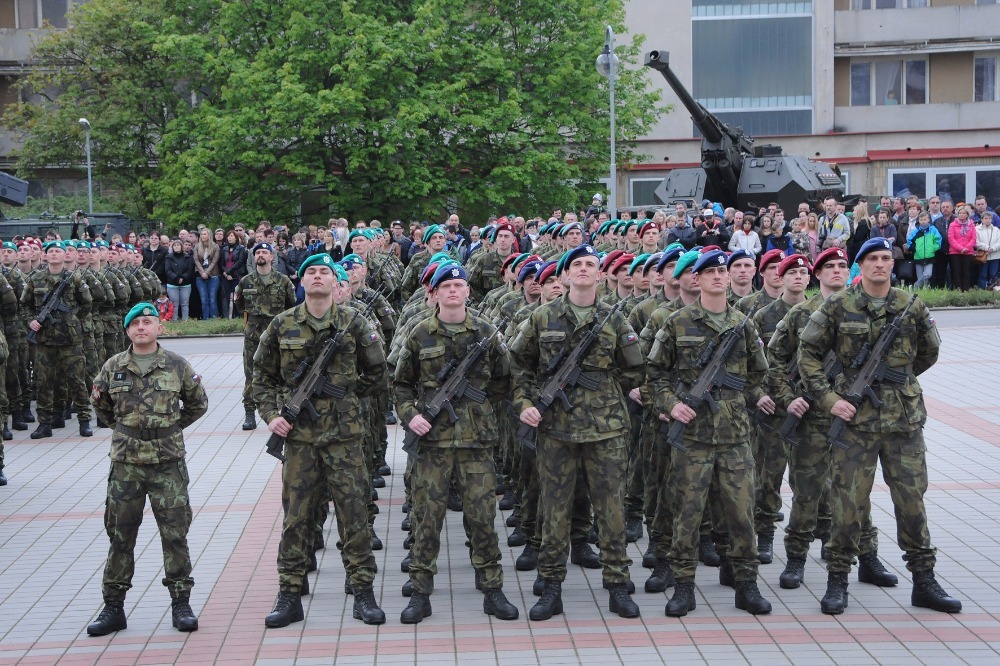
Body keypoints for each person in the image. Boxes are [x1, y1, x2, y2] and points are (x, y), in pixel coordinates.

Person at [798, 237, 962, 616]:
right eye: (872, 258)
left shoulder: (910, 304)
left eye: (886, 258)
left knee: (912, 501)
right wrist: (829, 399)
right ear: (861, 265)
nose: (880, 264)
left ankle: (924, 581)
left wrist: (897, 382)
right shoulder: (839, 305)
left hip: (903, 422)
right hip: (855, 422)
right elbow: (807, 354)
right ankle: (838, 580)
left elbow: (929, 351)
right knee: (847, 502)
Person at [510, 244, 644, 622]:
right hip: (556, 429)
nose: (584, 269)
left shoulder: (614, 319)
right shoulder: (542, 317)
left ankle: (618, 585)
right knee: (554, 510)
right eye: (576, 265)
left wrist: (605, 393)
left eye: (591, 264)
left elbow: (635, 369)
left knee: (611, 510)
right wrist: (526, 404)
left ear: (601, 275)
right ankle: (550, 588)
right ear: (564, 276)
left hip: (606, 431)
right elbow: (517, 365)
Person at [252, 253, 387, 628]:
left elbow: (377, 372)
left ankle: (362, 592)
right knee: (297, 517)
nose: (317, 277)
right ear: (302, 280)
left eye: (324, 272)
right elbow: (261, 378)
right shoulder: (281, 325)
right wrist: (273, 415)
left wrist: (344, 397)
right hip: (300, 439)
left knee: (354, 513)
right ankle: (289, 594)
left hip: (344, 437)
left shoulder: (353, 323)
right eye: (311, 271)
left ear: (334, 281)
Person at [645, 249, 773, 617]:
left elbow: (756, 376)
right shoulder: (677, 323)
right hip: (693, 437)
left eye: (723, 271)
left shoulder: (743, 324)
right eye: (710, 272)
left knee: (740, 512)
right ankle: (684, 586)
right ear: (696, 279)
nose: (718, 276)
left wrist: (752, 397)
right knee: (686, 512)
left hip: (734, 436)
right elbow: (655, 377)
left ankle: (746, 584)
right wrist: (671, 404)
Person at [393, 262, 519, 623]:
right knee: (425, 519)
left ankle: (492, 589)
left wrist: (478, 404)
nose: (452, 290)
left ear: (468, 292)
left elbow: (504, 378)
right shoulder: (420, 333)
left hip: (476, 443)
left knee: (482, 518)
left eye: (458, 284)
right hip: (431, 443)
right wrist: (410, 414)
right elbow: (400, 383)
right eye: (445, 285)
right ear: (434, 292)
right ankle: (420, 593)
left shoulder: (485, 331)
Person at [86, 302, 209, 636]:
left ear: (160, 328)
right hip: (126, 464)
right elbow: (101, 405)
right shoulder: (113, 366)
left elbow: (198, 403)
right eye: (135, 323)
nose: (141, 327)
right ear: (127, 331)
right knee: (120, 535)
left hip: (166, 463)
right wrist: (128, 430)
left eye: (148, 322)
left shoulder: (176, 365)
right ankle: (113, 607)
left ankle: (181, 603)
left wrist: (167, 428)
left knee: (174, 533)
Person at [22, 241, 94, 438]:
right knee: (44, 382)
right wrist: (31, 321)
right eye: (50, 251)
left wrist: (71, 318)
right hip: (45, 340)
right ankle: (44, 423)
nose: (54, 254)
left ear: (65, 255)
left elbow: (87, 303)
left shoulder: (75, 278)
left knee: (77, 381)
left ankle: (84, 420)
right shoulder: (35, 279)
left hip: (70, 339)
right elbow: (24, 306)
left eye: (58, 251)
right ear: (45, 256)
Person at [235, 242, 296, 431]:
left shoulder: (283, 280)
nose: (261, 255)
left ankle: (279, 411)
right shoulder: (245, 281)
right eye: (258, 252)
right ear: (254, 257)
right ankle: (249, 412)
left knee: (280, 371)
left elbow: (291, 305)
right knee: (251, 373)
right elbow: (240, 305)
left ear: (272, 257)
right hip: (253, 335)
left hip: (276, 334)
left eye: (264, 252)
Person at [906, 212, 943, 289]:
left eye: (925, 219)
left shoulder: (933, 230)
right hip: (918, 256)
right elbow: (909, 241)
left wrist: (933, 248)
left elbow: (938, 240)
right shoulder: (916, 232)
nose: (923, 221)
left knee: (928, 274)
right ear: (918, 221)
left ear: (928, 220)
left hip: (930, 256)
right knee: (920, 276)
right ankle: (922, 292)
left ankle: (915, 286)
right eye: (921, 219)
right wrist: (915, 248)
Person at [219, 230, 248, 319]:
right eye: (228, 236)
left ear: (236, 238)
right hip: (226, 276)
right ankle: (225, 316)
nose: (230, 238)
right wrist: (225, 273)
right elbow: (221, 263)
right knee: (225, 297)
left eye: (232, 236)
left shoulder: (241, 248)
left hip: (236, 275)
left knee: (237, 297)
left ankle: (237, 316)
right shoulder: (224, 249)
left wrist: (229, 272)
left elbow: (239, 262)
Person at [948, 206, 977, 292]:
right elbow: (951, 239)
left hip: (968, 252)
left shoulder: (971, 225)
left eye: (963, 213)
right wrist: (961, 248)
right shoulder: (952, 225)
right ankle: (958, 290)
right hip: (955, 252)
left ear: (967, 214)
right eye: (960, 213)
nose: (961, 215)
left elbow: (974, 239)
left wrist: (966, 248)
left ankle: (966, 290)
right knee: (956, 272)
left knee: (966, 272)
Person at [193, 229, 220, 319]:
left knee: (212, 299)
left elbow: (214, 261)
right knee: (204, 299)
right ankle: (205, 320)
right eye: (201, 234)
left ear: (209, 235)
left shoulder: (215, 247)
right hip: (200, 276)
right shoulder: (197, 246)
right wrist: (202, 272)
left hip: (213, 276)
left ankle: (213, 319)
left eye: (204, 234)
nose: (202, 236)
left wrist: (207, 272)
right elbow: (196, 260)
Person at [165, 239, 195, 321]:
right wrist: (176, 278)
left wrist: (183, 277)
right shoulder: (169, 257)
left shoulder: (188, 257)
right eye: (174, 245)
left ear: (181, 247)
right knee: (174, 304)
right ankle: (174, 320)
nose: (176, 247)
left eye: (178, 245)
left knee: (185, 303)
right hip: (172, 284)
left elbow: (190, 270)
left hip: (185, 284)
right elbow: (168, 270)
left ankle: (185, 321)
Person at [975, 211, 1000, 289]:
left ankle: (993, 291)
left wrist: (993, 248)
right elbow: (976, 242)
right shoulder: (977, 229)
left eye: (989, 218)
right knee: (983, 275)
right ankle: (981, 292)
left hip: (995, 255)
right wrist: (986, 248)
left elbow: (999, 242)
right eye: (986, 218)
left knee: (994, 274)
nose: (988, 220)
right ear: (982, 219)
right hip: (983, 256)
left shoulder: (996, 229)